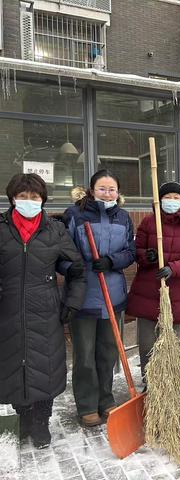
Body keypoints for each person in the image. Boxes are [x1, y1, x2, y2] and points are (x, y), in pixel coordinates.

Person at [0, 173, 85, 448]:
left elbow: (78, 269)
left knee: (44, 366)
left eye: (34, 197)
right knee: (13, 364)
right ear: (12, 198)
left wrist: (72, 302)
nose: (28, 202)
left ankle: (41, 423)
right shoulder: (1, 228)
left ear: (42, 200)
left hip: (45, 308)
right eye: (22, 196)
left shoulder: (55, 230)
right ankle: (23, 416)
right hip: (8, 309)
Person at [63, 170, 135, 426]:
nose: (107, 193)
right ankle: (86, 404)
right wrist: (73, 268)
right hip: (84, 295)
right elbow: (62, 253)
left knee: (108, 352)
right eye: (102, 188)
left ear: (118, 192)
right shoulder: (75, 215)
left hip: (113, 294)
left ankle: (106, 399)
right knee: (84, 353)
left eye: (112, 189)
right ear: (92, 190)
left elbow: (130, 252)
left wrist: (112, 261)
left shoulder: (124, 217)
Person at [127, 182, 180, 380]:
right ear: (159, 200)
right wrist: (148, 256)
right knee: (147, 345)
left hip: (178, 295)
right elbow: (137, 251)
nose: (171, 201)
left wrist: (174, 268)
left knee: (171, 344)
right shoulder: (149, 223)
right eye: (167, 197)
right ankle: (150, 384)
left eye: (176, 197)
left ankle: (168, 386)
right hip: (149, 293)